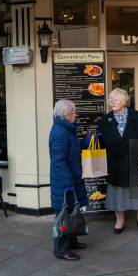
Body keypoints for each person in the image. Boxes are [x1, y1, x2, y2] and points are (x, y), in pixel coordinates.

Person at [98, 88, 138, 234]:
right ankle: (119, 221)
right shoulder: (105, 120)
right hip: (115, 164)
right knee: (118, 194)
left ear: (124, 100)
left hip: (136, 163)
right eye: (110, 100)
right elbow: (101, 144)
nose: (111, 102)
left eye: (115, 99)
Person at [49, 100, 88, 261]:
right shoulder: (60, 132)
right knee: (63, 214)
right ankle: (61, 249)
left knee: (72, 210)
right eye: (73, 113)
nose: (75, 115)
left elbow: (71, 147)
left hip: (71, 177)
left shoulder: (65, 130)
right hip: (65, 180)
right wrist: (68, 181)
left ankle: (72, 241)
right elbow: (58, 160)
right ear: (66, 115)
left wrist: (84, 142)